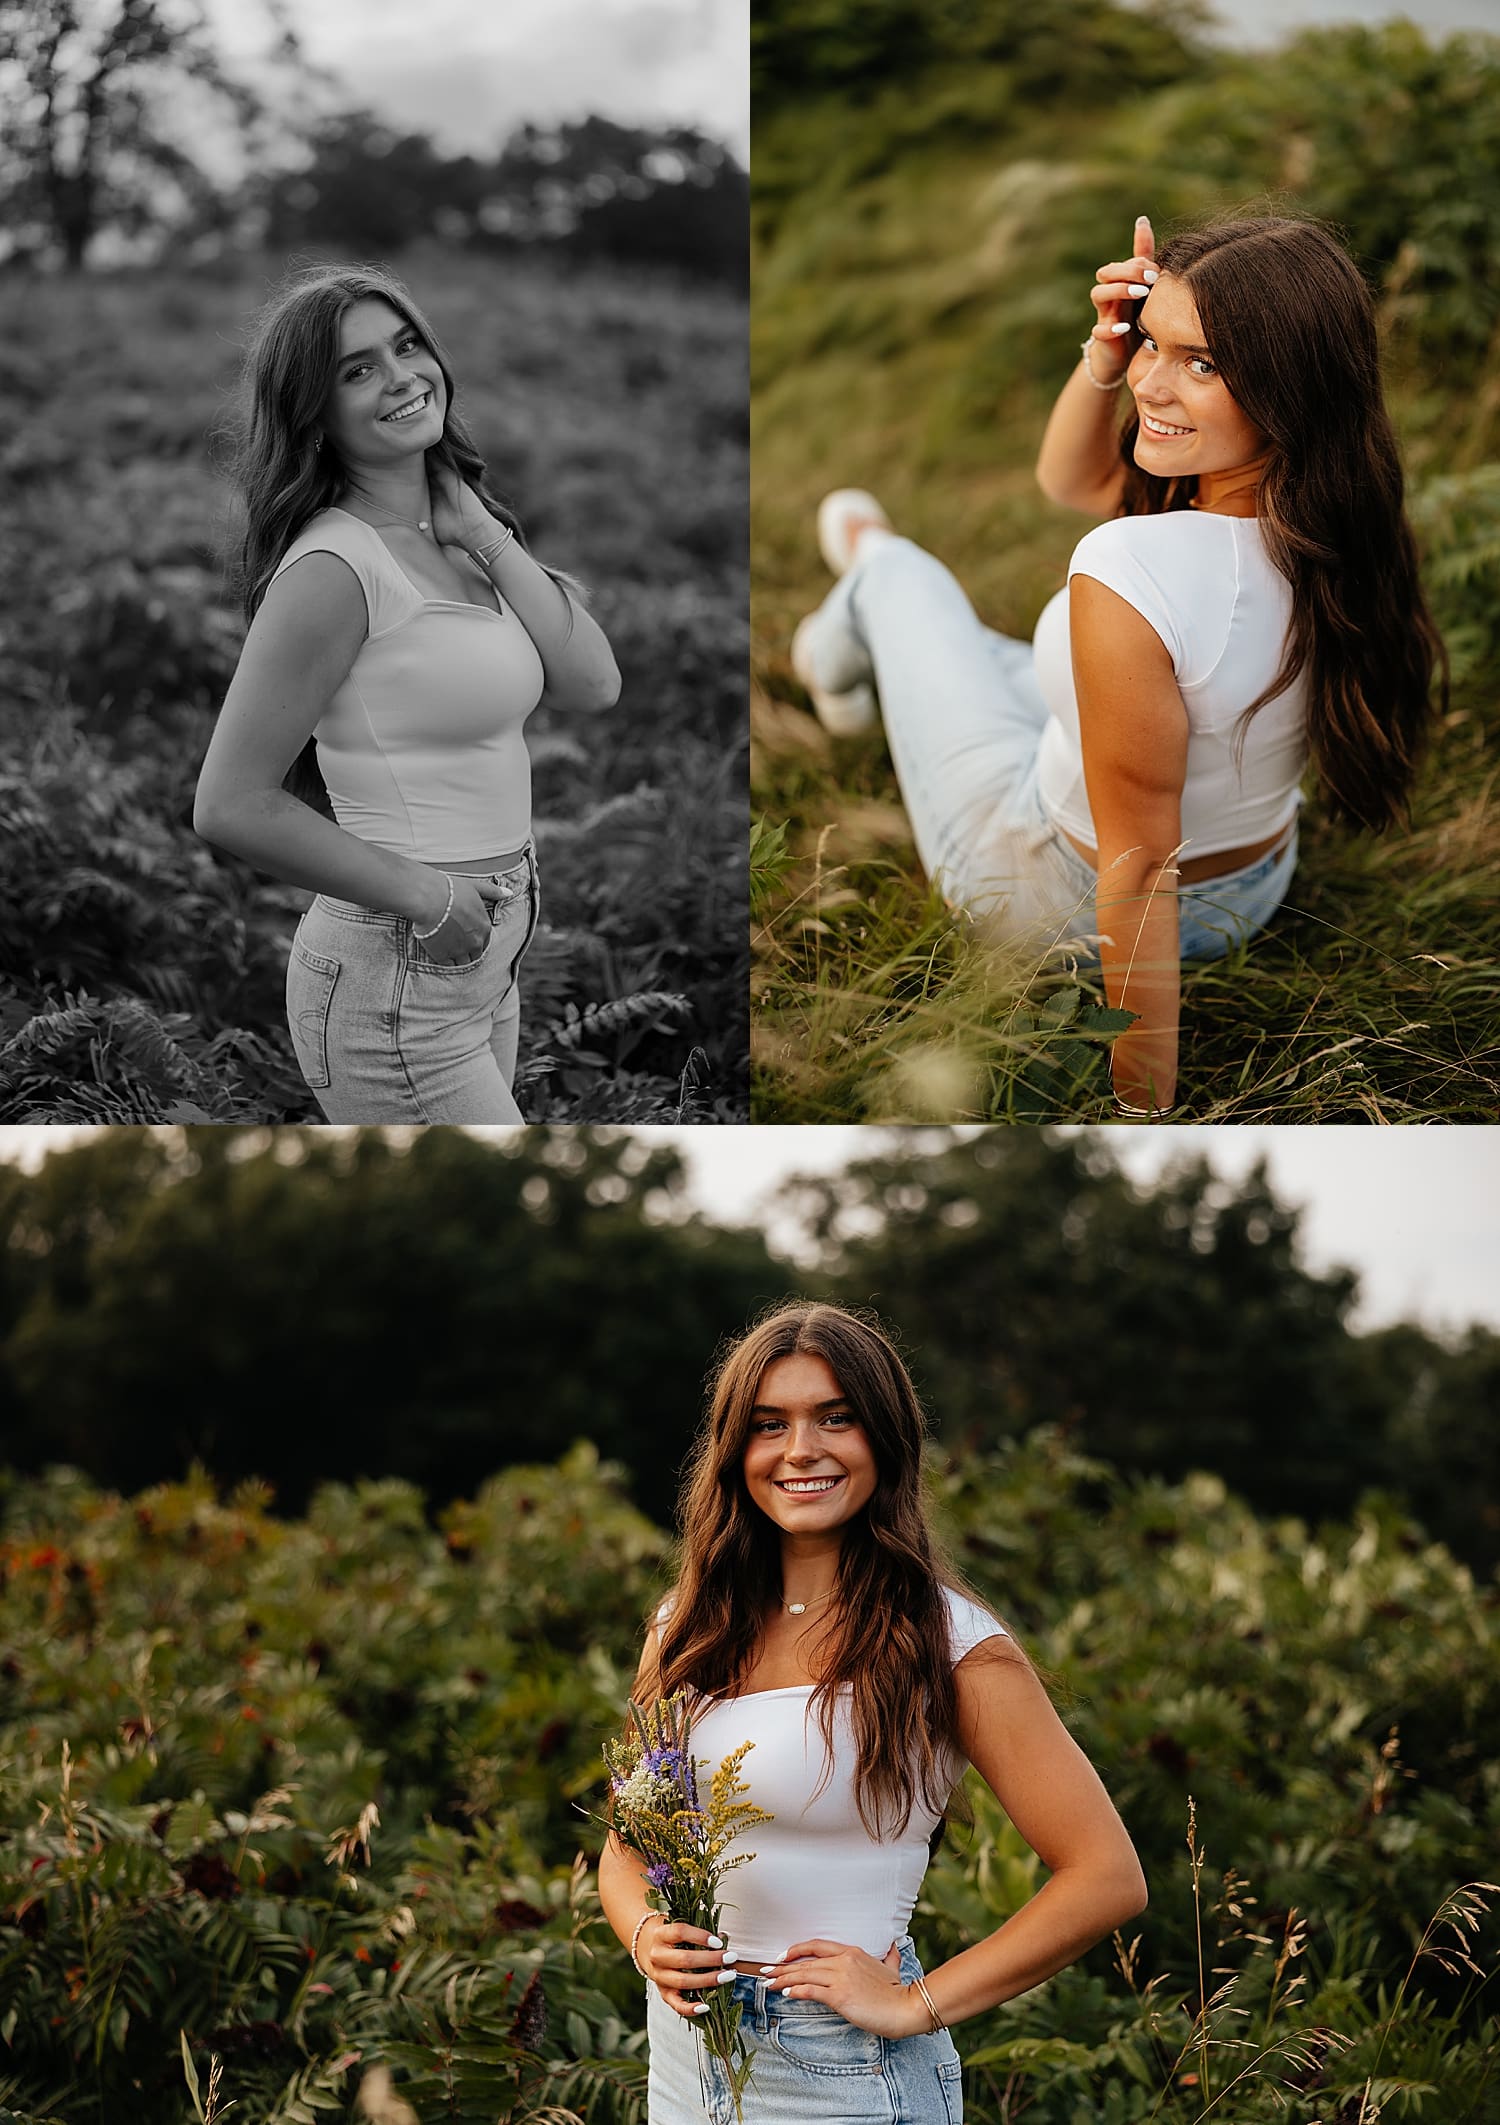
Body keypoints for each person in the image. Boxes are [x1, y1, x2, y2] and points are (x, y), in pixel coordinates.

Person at [788, 214, 1446, 1115]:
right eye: (1151, 343)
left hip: (1051, 888)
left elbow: (1137, 871)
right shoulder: (1342, 522)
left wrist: (1144, 1109)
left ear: (1290, 387)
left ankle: (835, 648)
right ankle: (876, 606)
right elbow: (1074, 481)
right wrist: (1104, 352)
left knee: (897, 571)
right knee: (993, 653)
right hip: (1251, 889)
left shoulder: (1129, 568)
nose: (1150, 382)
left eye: (1201, 363)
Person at [598, 1301, 1147, 2124]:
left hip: (845, 2069)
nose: (800, 1449)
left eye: (835, 1418)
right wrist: (645, 1934)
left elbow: (1107, 1877)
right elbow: (626, 1849)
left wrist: (914, 2003)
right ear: (733, 1449)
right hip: (686, 2059)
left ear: (884, 1439)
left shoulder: (951, 1643)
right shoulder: (684, 1627)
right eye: (768, 1423)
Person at [194, 263, 620, 1122]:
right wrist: (428, 897)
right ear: (314, 413)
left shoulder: (460, 531)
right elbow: (228, 802)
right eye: (358, 370)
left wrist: (487, 536)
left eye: (407, 345)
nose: (401, 378)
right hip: (399, 967)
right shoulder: (332, 568)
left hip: (486, 954)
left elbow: (593, 683)